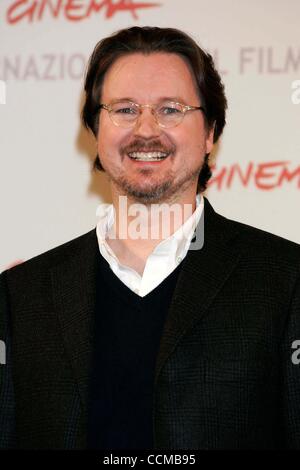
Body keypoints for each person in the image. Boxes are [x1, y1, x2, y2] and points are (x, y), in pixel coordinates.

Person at [1, 26, 300, 450]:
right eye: (124, 109)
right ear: (95, 130)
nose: (145, 130)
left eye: (170, 109)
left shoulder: (286, 281)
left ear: (211, 131)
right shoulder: (19, 295)